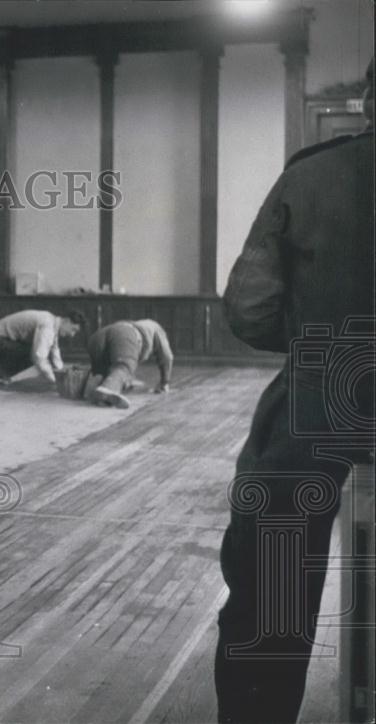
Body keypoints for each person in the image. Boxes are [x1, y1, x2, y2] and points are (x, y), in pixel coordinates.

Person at [213, 59, 374, 724]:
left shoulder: (311, 173)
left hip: (328, 388)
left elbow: (249, 310)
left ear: (368, 99)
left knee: (273, 574)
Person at [0, 309, 86, 387]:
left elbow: (55, 351)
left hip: (1, 339)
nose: (72, 335)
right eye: (73, 330)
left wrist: (62, 373)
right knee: (35, 353)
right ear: (67, 321)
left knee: (39, 350)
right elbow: (38, 357)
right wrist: (56, 381)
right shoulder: (47, 325)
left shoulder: (53, 323)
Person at [85, 319, 173, 409]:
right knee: (124, 367)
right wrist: (164, 382)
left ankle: (95, 394)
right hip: (125, 334)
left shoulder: (142, 324)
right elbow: (167, 356)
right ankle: (108, 388)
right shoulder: (158, 329)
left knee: (105, 373)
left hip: (97, 337)